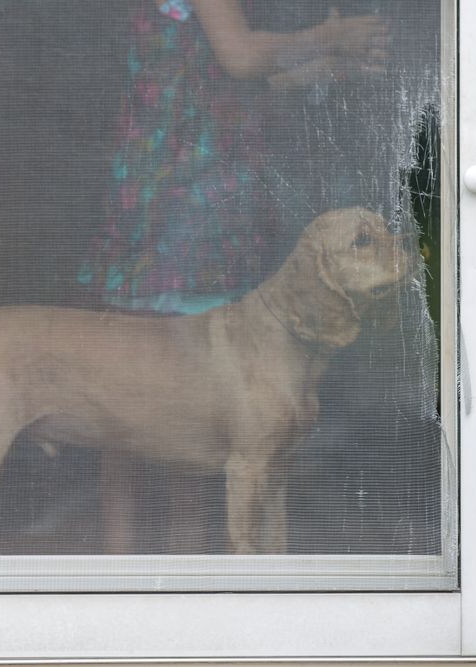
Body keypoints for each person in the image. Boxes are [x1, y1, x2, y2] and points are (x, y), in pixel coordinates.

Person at [77, 0, 390, 553]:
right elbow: (242, 57)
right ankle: (158, 558)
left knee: (153, 397)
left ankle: (143, 557)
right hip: (180, 209)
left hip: (177, 204)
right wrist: (330, 35)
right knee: (144, 393)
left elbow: (238, 81)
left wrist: (335, 67)